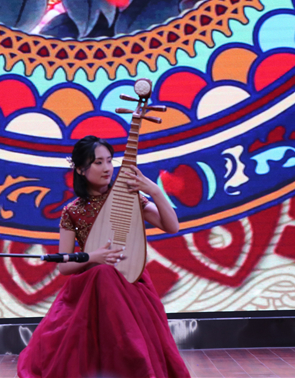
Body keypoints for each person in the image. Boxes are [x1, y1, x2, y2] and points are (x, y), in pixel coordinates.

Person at [17, 135, 190, 378]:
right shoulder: (72, 211)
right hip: (89, 292)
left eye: (109, 160)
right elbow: (64, 266)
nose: (107, 168)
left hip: (129, 285)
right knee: (102, 271)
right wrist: (92, 257)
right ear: (80, 169)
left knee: (108, 274)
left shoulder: (130, 199)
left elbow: (172, 226)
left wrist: (153, 190)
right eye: (98, 162)